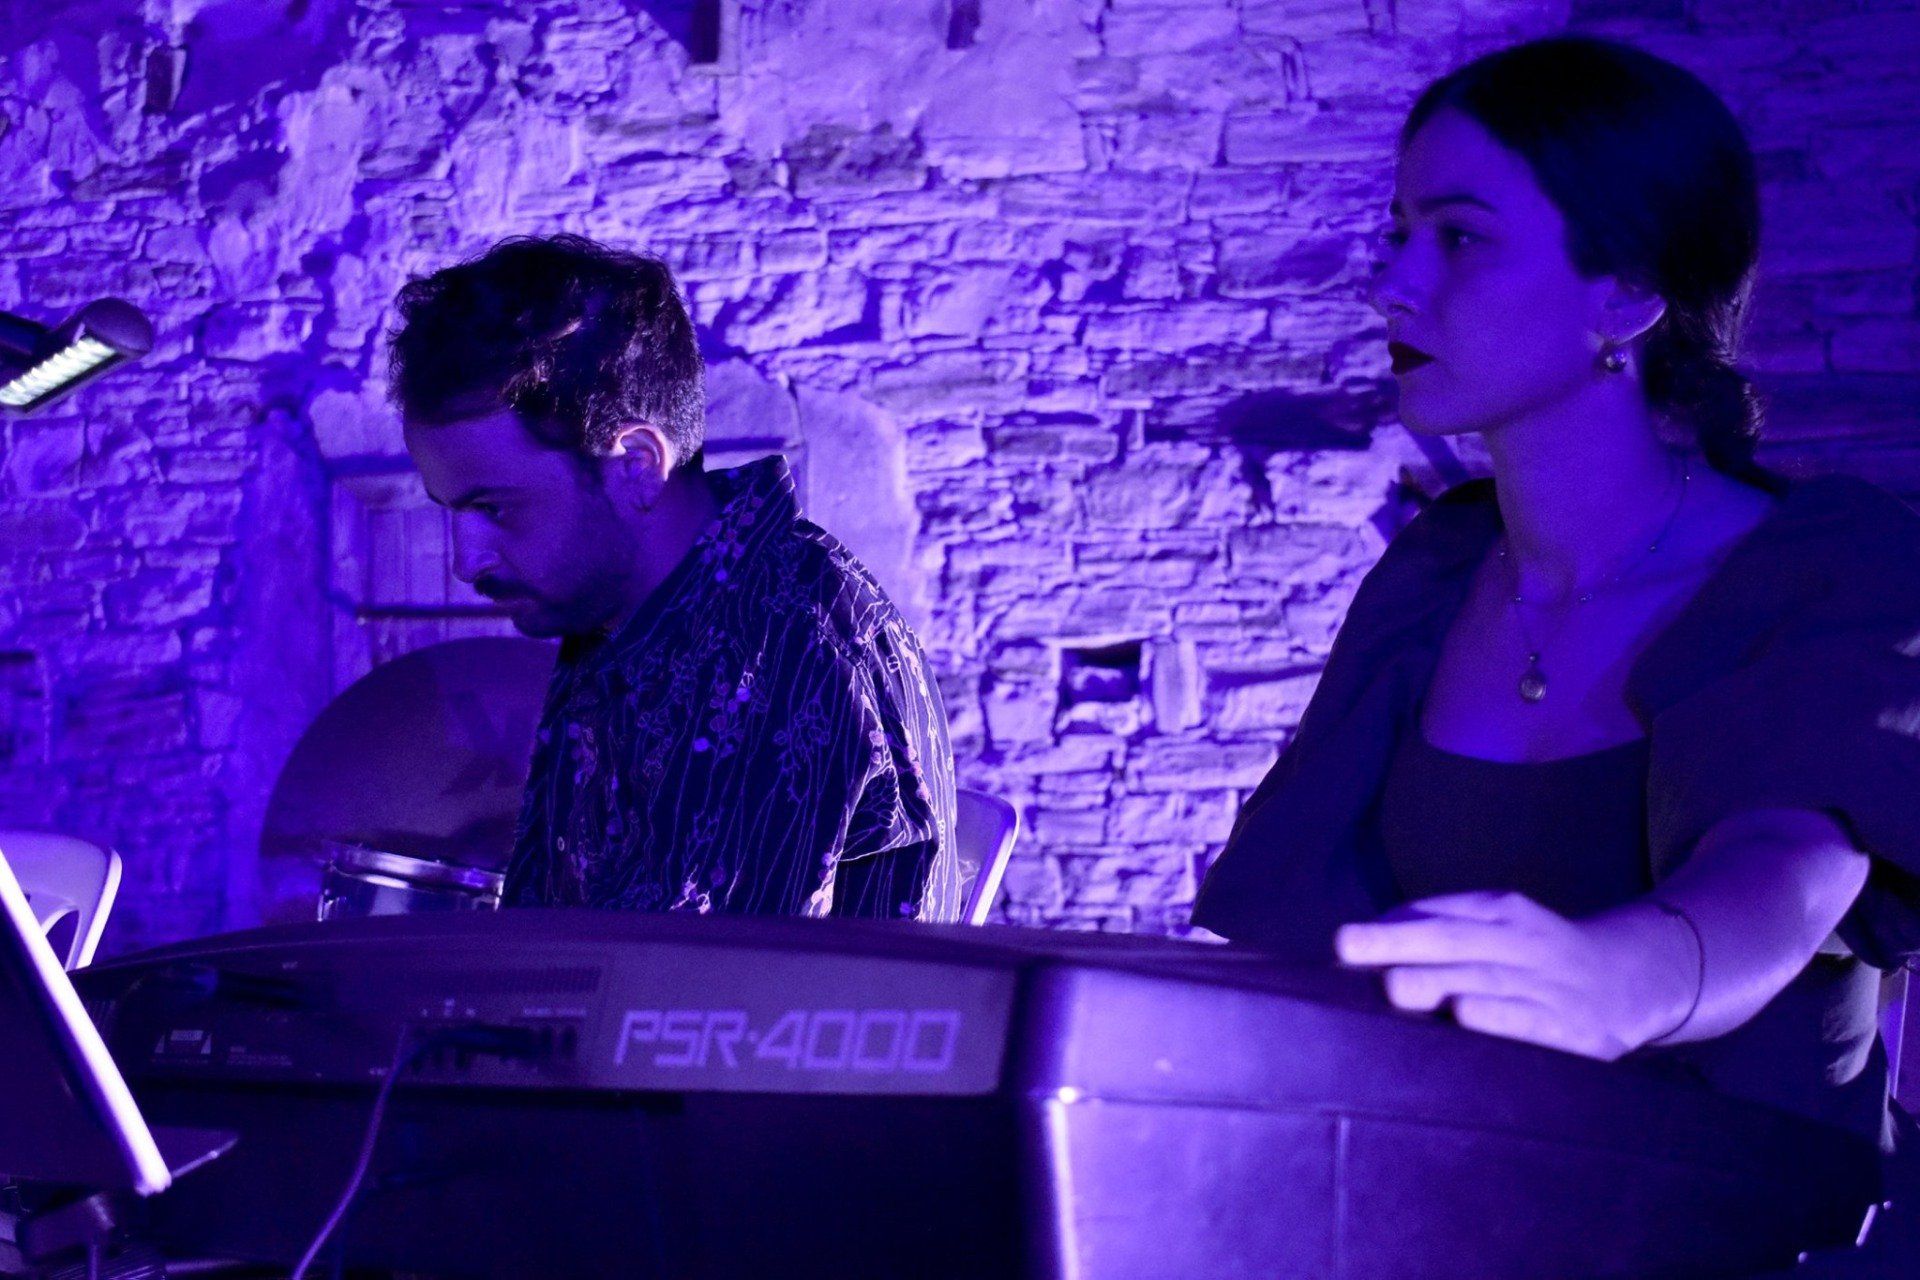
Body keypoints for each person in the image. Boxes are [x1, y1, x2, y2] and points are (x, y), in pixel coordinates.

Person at [1192, 36, 1920, 1152]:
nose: (1392, 283)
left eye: (1460, 237)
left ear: (1627, 293)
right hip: (1457, 1208)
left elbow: (1787, 871)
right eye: (1398, 234)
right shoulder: (1436, 572)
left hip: (1761, 1217)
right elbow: (1302, 949)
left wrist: (1615, 978)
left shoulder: (1827, 563)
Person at [386, 235, 961, 922]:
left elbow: (694, 982)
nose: (466, 560)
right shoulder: (615, 619)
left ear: (635, 464)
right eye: (451, 511)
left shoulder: (791, 646)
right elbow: (557, 939)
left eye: (495, 508)